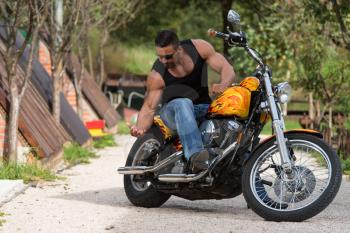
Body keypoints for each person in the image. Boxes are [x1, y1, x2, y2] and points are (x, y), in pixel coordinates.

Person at [130, 29, 235, 173]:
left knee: (230, 108)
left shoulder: (199, 48)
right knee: (183, 102)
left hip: (202, 108)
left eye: (168, 56)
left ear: (179, 49)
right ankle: (196, 157)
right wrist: (140, 129)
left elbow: (226, 67)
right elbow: (149, 107)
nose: (163, 61)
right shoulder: (157, 74)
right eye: (160, 57)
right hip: (172, 113)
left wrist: (224, 84)